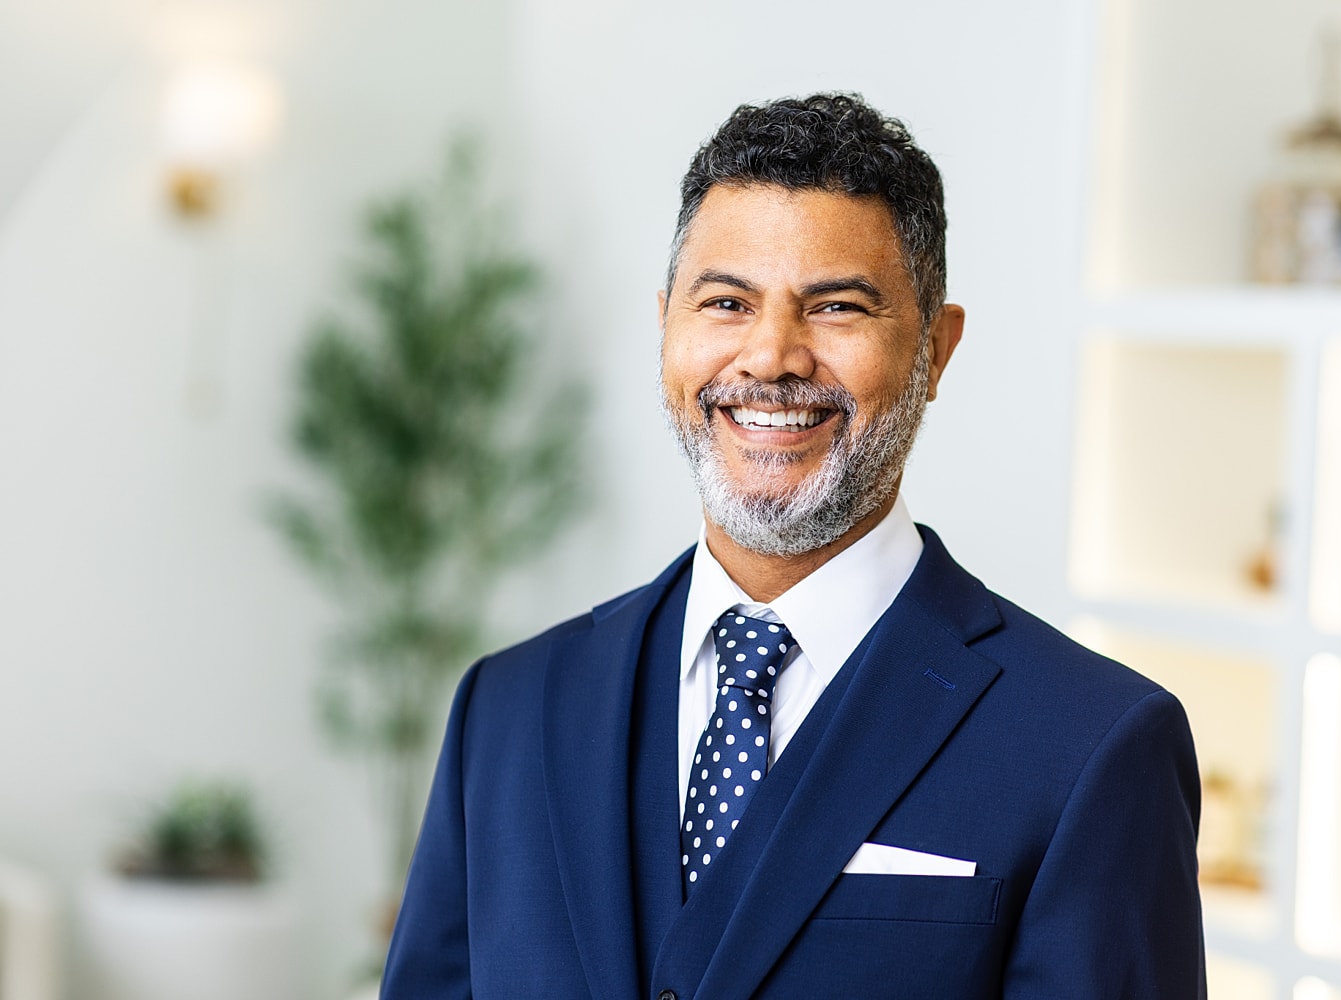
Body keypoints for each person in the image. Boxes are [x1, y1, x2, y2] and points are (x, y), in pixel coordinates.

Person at [382, 93, 1205, 999]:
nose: (771, 356)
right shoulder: (506, 711)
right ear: (666, 327)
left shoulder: (1092, 746)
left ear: (936, 348)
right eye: (727, 302)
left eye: (837, 307)